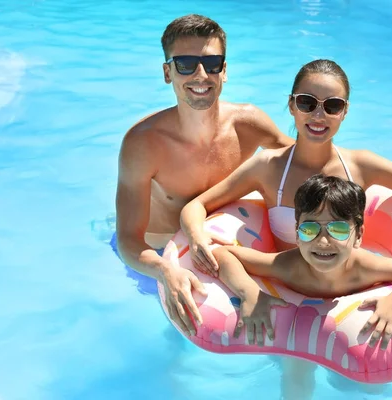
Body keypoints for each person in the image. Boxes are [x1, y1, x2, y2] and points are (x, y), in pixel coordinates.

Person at [179, 58, 392, 399]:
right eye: (307, 103)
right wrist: (196, 237)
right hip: (289, 282)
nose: (318, 115)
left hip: (347, 282)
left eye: (332, 106)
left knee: (365, 380)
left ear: (344, 111)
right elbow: (197, 206)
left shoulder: (359, 165)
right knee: (296, 381)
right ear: (292, 105)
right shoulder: (268, 167)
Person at [115, 14, 294, 336]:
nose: (201, 75)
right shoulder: (143, 144)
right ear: (167, 72)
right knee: (177, 334)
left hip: (226, 245)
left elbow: (310, 162)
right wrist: (164, 270)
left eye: (212, 63)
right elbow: (129, 239)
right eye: (185, 64)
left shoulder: (248, 123)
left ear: (224, 70)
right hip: (157, 250)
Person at [209, 174, 392, 399]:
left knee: (368, 384)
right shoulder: (288, 266)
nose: (323, 241)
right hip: (298, 334)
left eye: (337, 229)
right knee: (296, 375)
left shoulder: (365, 268)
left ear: (358, 235)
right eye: (309, 229)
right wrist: (250, 292)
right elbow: (223, 255)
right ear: (296, 234)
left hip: (349, 337)